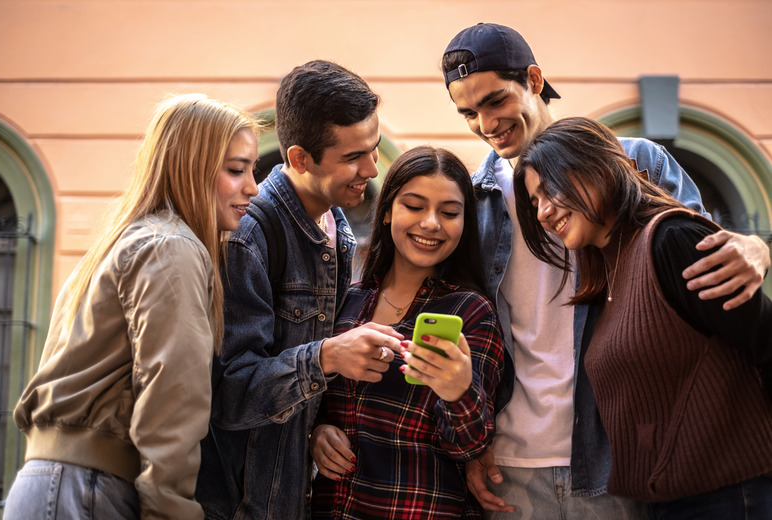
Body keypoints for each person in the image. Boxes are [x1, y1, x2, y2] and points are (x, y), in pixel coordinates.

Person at [440, 23, 772, 519]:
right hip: (512, 462)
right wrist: (471, 443)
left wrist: (756, 247)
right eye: (468, 113)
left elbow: (705, 264)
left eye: (495, 101)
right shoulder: (473, 200)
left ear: (534, 80)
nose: (486, 124)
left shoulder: (634, 161)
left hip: (624, 457)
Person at [3, 93, 261, 519]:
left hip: (58, 485)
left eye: (252, 170)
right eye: (236, 170)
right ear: (190, 166)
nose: (253, 186)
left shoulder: (131, 240)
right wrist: (171, 511)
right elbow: (172, 401)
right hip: (87, 489)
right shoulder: (171, 249)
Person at [514, 115, 772, 519]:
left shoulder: (671, 240)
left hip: (730, 493)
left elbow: (765, 341)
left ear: (600, 169)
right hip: (670, 500)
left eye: (551, 190)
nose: (543, 212)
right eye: (534, 203)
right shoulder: (610, 268)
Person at [196, 60, 404, 520]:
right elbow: (229, 395)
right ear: (299, 159)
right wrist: (326, 357)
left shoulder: (337, 228)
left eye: (373, 150)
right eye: (353, 157)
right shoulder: (248, 237)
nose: (371, 169)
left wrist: (318, 428)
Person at [309, 145, 506, 519]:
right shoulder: (346, 300)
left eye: (449, 213)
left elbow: (471, 446)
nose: (431, 223)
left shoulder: (470, 311)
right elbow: (315, 399)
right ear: (386, 212)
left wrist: (458, 391)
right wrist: (316, 434)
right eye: (414, 206)